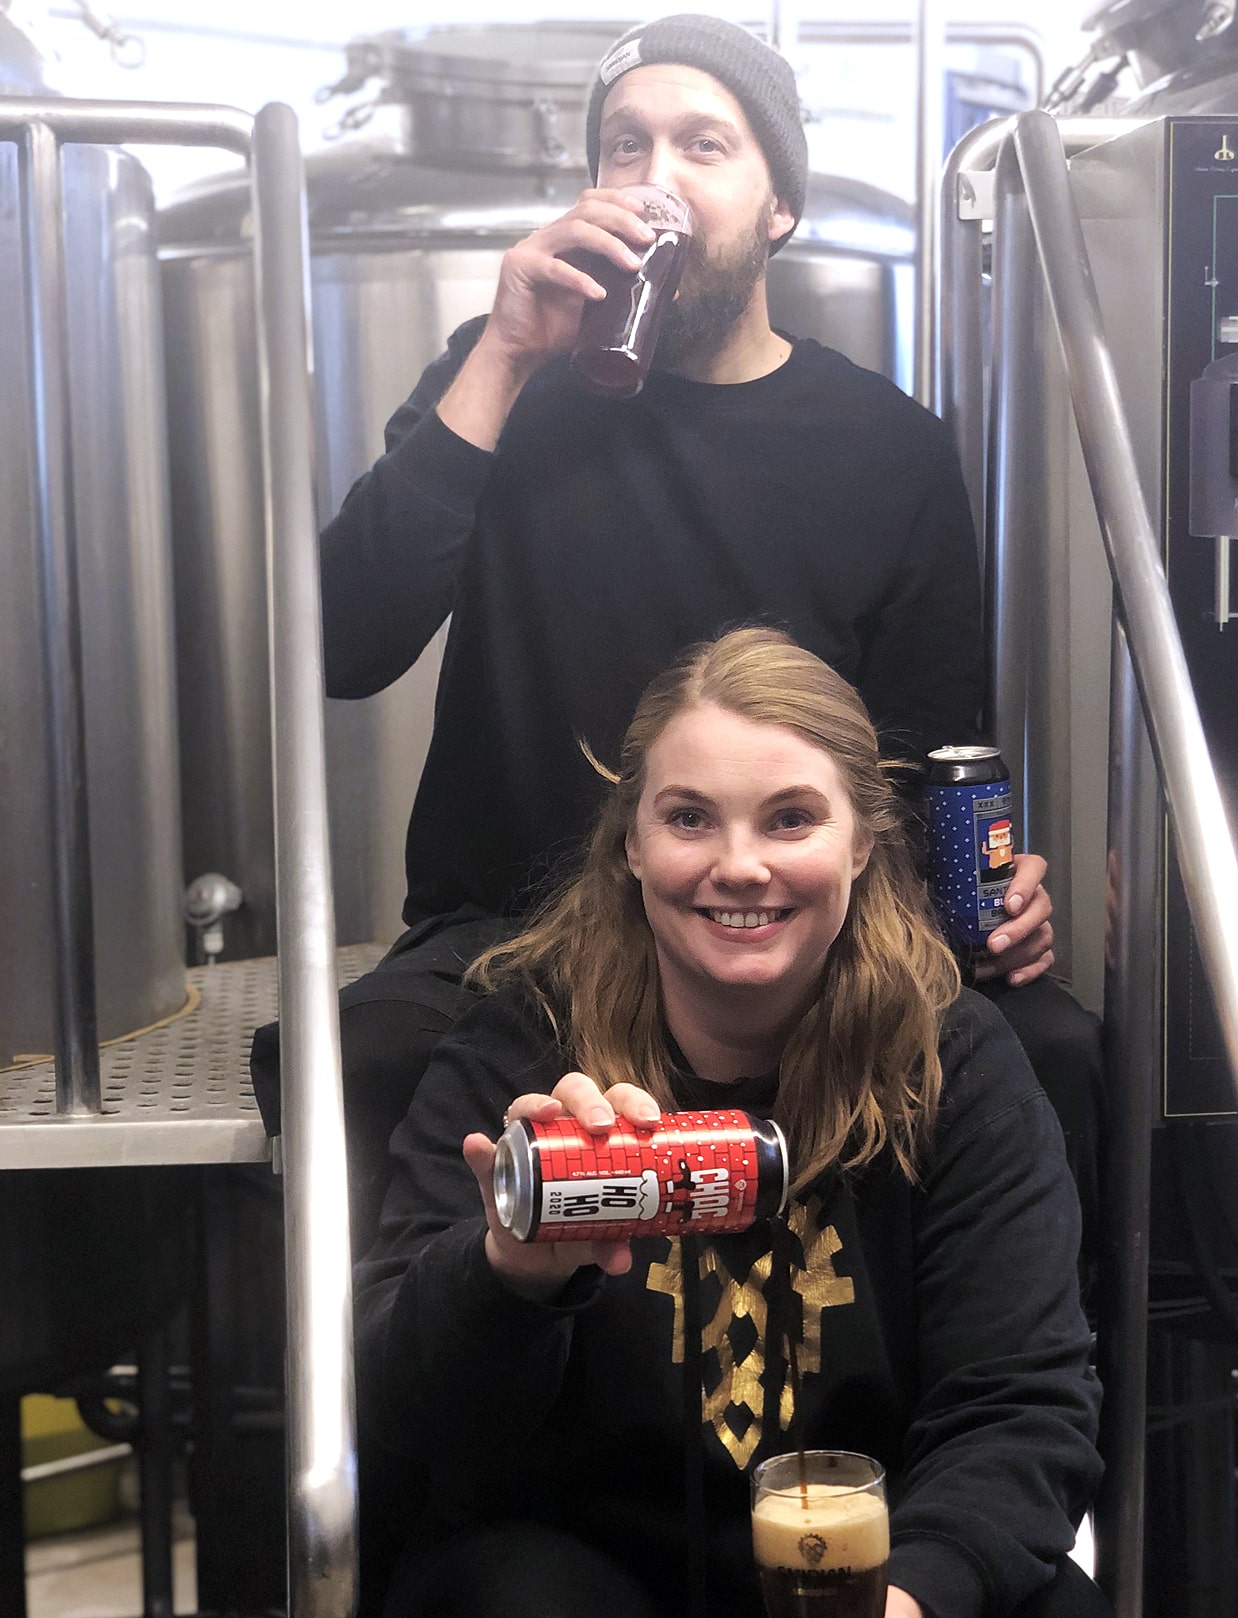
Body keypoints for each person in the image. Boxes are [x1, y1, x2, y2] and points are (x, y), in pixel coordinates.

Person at [251, 13, 1103, 1254]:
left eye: (704, 145)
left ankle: (968, 1377)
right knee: (356, 1059)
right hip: (516, 938)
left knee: (1051, 1050)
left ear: (778, 205)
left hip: (790, 930)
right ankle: (429, 1373)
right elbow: (340, 646)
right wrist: (502, 352)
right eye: (623, 146)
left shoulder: (885, 446)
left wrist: (991, 893)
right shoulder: (502, 385)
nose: (653, 177)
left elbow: (920, 754)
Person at [357, 628, 1130, 1618]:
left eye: (788, 819)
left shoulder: (954, 1062)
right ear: (629, 843)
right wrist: (506, 1277)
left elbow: (1022, 1404)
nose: (738, 866)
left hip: (854, 1593)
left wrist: (920, 1602)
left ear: (861, 842)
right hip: (589, 1600)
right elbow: (397, 1409)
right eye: (688, 818)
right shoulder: (521, 1045)